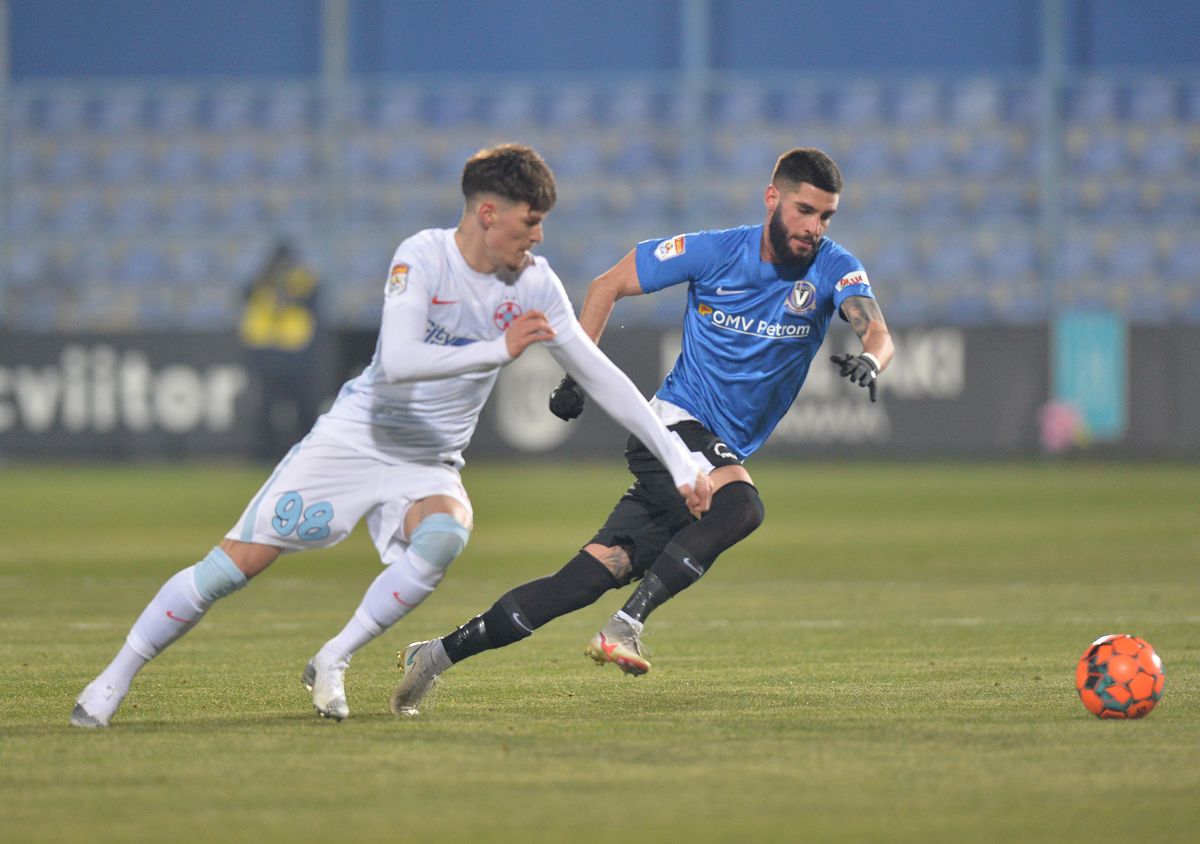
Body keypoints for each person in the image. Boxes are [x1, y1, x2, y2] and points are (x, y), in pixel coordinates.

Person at [70, 143, 710, 728]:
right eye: (530, 222)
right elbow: (400, 360)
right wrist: (498, 349)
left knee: (445, 533)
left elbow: (599, 375)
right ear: (488, 213)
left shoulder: (536, 284)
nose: (538, 236)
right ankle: (111, 681)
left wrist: (679, 459)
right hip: (357, 438)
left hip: (429, 461)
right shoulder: (422, 256)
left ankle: (334, 655)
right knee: (232, 568)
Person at [391, 146, 894, 716]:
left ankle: (434, 655)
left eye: (826, 216)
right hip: (673, 428)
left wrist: (871, 360)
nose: (815, 228)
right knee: (742, 507)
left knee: (580, 581)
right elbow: (606, 285)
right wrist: (576, 375)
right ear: (772, 198)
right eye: (805, 211)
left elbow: (877, 331)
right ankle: (626, 625)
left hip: (707, 456)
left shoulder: (832, 266)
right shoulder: (713, 251)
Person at [238, 240, 322, 461]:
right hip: (270, 352)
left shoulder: (302, 280)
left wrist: (289, 289)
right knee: (267, 408)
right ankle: (267, 453)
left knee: (303, 408)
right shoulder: (263, 281)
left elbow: (314, 299)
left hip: (295, 352)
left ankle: (309, 452)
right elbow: (245, 295)